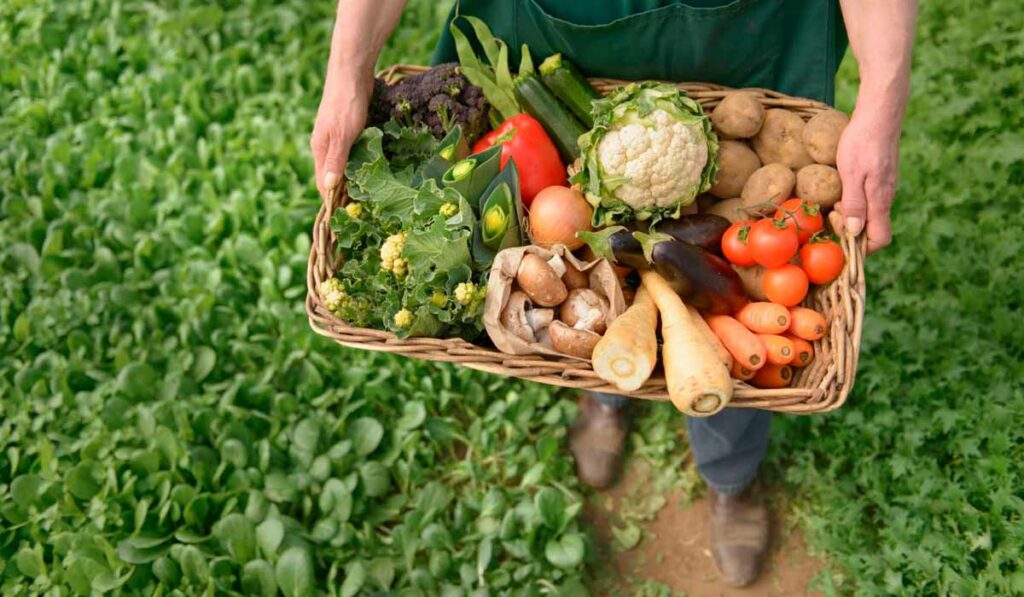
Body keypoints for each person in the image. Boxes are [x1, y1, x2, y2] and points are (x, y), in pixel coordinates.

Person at [311, 0, 917, 587]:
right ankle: (606, 392)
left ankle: (730, 477)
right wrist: (346, 73)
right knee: (603, 294)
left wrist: (883, 108)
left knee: (728, 325)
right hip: (558, 34)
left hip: (745, 40)